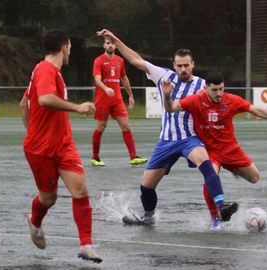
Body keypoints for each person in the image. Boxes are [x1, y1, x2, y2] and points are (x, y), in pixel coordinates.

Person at [96, 29, 238, 231]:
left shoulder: (202, 85)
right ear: (174, 65)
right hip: (166, 141)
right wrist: (116, 40)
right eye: (179, 66)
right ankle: (149, 217)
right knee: (146, 186)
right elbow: (136, 60)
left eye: (186, 65)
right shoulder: (164, 76)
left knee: (206, 165)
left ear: (193, 65)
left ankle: (219, 210)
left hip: (191, 139)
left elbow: (220, 106)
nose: (183, 69)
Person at [161, 70, 267, 221]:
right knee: (210, 177)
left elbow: (255, 109)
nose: (219, 93)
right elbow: (171, 108)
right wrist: (167, 95)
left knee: (254, 178)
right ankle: (215, 218)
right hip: (210, 151)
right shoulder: (195, 100)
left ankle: (231, 168)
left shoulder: (231, 100)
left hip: (230, 149)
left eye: (221, 89)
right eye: (214, 90)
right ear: (205, 88)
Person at [20, 30, 102, 263]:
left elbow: (23, 104)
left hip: (63, 144)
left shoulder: (48, 71)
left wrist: (32, 130)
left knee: (80, 190)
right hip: (41, 150)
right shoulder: (45, 70)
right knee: (49, 199)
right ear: (65, 47)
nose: (70, 52)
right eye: (70, 48)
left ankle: (85, 245)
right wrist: (77, 108)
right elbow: (44, 99)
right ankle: (34, 221)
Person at [90, 37, 147, 166]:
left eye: (112, 43)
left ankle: (133, 157)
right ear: (104, 46)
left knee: (126, 126)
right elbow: (97, 79)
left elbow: (124, 78)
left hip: (117, 100)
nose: (110, 45)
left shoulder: (120, 61)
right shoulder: (98, 61)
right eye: (107, 43)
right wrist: (105, 88)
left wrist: (130, 95)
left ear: (116, 46)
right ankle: (95, 157)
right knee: (101, 127)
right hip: (102, 100)